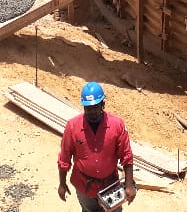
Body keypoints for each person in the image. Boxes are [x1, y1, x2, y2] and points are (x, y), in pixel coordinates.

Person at [57, 81, 136, 211]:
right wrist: (62, 183)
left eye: (95, 107)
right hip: (84, 187)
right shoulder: (72, 126)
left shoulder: (117, 125)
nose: (91, 111)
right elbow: (64, 158)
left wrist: (129, 185)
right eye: (88, 108)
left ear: (102, 105)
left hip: (110, 186)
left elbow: (126, 156)